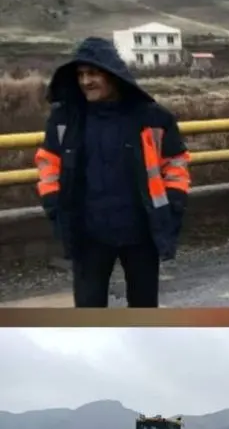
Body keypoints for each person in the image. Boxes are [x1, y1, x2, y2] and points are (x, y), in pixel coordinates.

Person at [33, 37, 190, 308]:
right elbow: (48, 163)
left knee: (144, 311)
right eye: (81, 74)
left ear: (113, 75)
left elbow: (175, 163)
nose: (85, 82)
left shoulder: (152, 117)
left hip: (141, 233)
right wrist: (54, 206)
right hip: (88, 235)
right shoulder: (65, 119)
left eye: (93, 73)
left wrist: (173, 205)